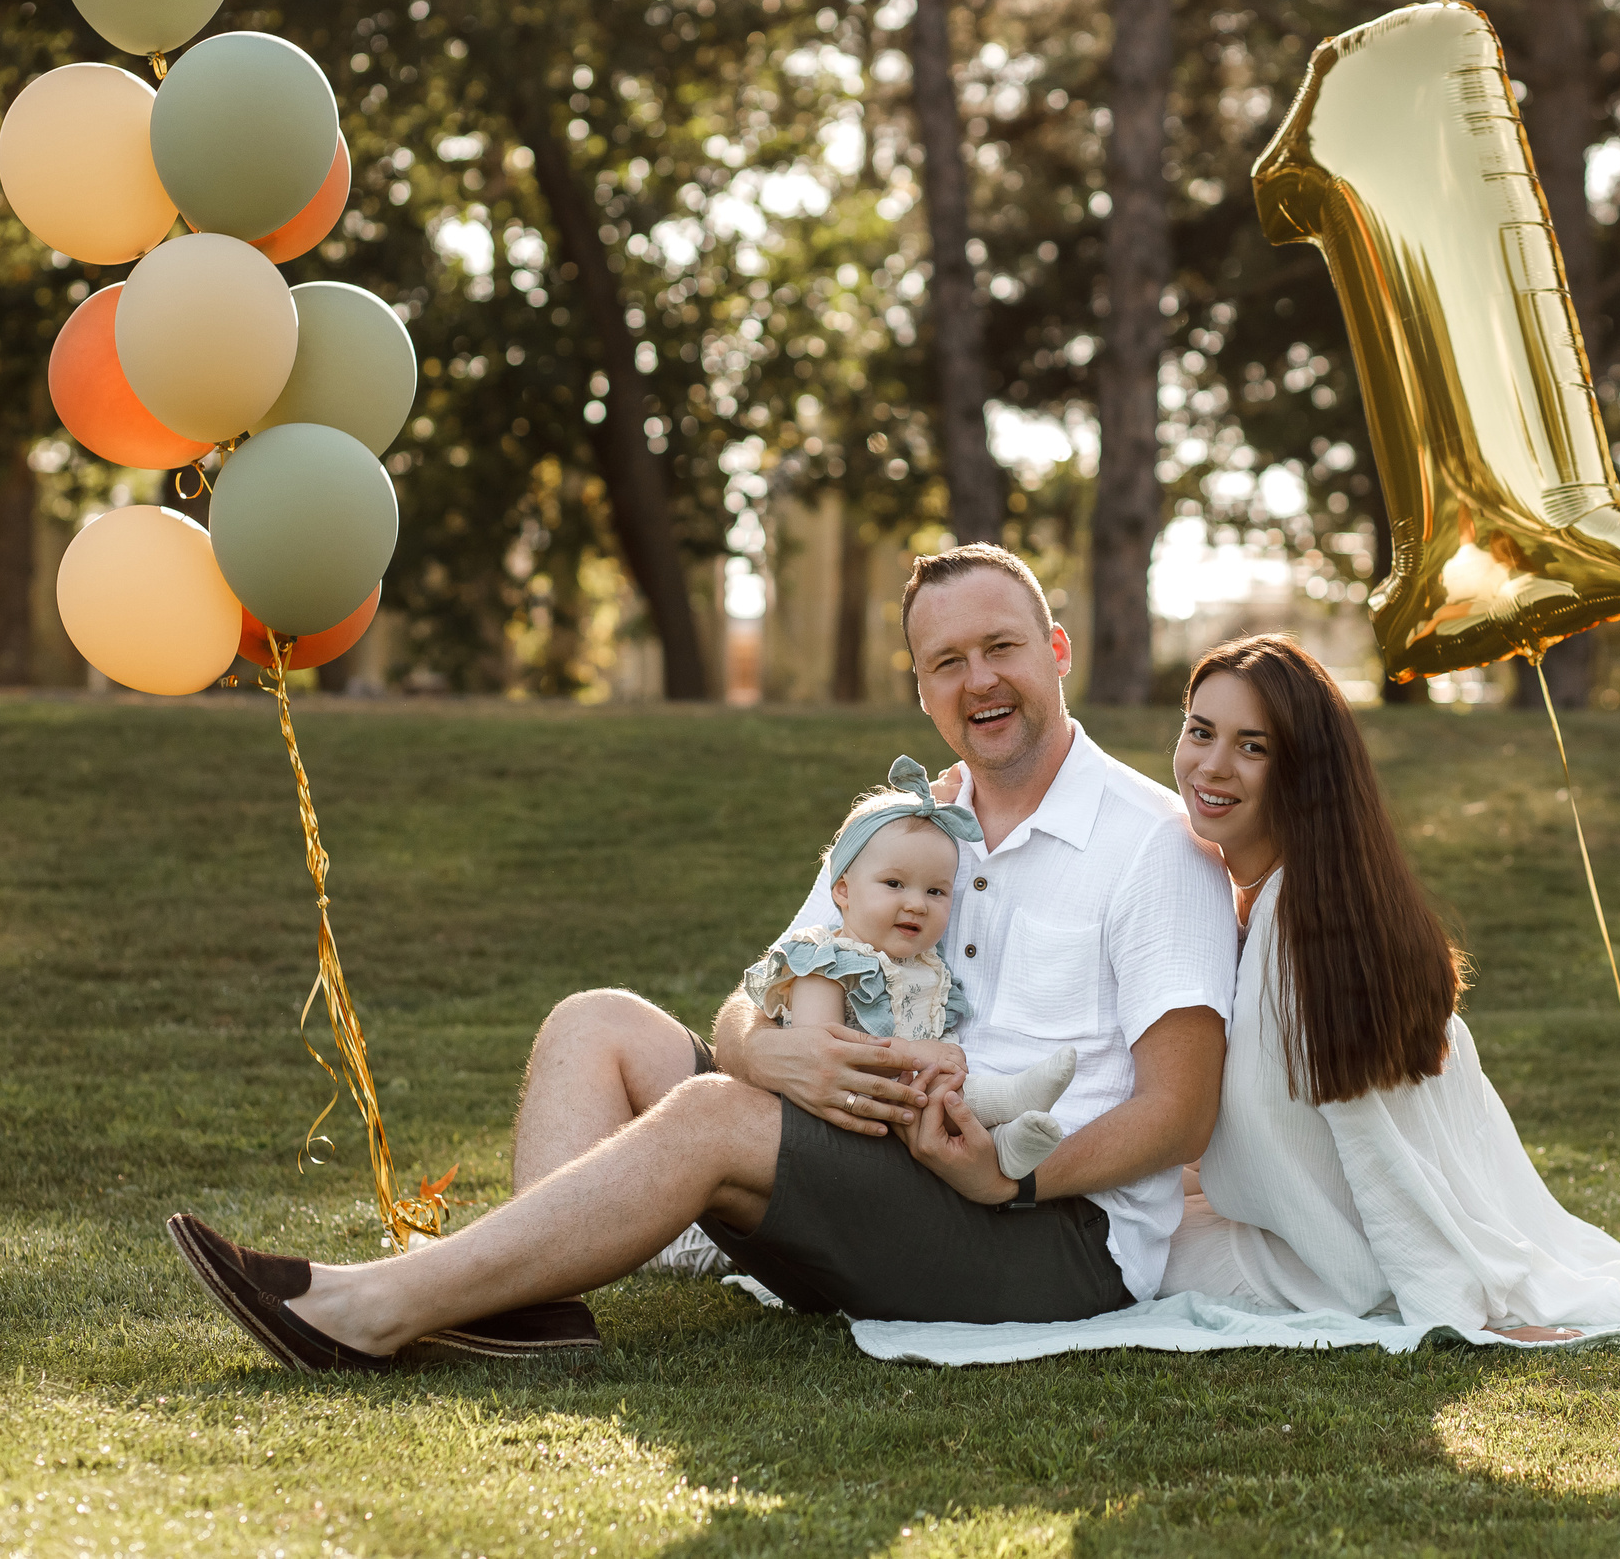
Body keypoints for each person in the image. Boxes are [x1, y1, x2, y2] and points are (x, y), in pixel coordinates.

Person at [165, 544, 1233, 1370]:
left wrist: (1010, 1178)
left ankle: (371, 1308)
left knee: (714, 1116)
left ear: (1056, 650)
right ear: (921, 689)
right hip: (886, 1167)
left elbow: (1180, 1113)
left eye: (1001, 647)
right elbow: (751, 1002)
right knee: (595, 1022)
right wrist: (768, 1055)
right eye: (946, 662)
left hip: (1050, 1240)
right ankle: (530, 1307)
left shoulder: (1152, 844)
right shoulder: (906, 827)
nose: (979, 679)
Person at [1156, 633, 1620, 1338]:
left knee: (1117, 1250)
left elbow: (1375, 1143)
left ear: (1304, 771)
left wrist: (1448, 1307)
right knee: (1131, 1210)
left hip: (1328, 1265)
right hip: (1302, 1225)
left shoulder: (1305, 932)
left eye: (1253, 746)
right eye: (1200, 732)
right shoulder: (1292, 895)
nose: (1213, 764)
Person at [742, 755, 1078, 1179]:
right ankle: (1009, 1100)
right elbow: (822, 1053)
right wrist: (919, 1054)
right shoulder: (826, 962)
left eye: (936, 891)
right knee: (938, 1092)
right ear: (842, 890)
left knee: (943, 1097)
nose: (917, 904)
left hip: (902, 1111)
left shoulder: (926, 969)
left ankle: (1003, 1143)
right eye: (894, 884)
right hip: (830, 1116)